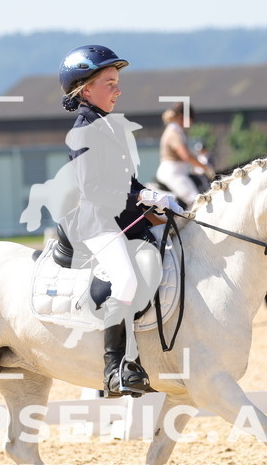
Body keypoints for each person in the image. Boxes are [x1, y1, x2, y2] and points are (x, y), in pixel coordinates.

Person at [56, 44, 182, 397]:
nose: (118, 89)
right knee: (125, 280)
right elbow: (93, 188)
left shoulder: (109, 126)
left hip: (125, 217)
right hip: (98, 222)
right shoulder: (83, 130)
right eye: (110, 82)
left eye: (116, 82)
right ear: (86, 89)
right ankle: (114, 370)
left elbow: (127, 181)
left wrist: (153, 195)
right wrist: (141, 198)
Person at [155, 102, 214, 206]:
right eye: (190, 120)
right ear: (183, 117)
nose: (191, 123)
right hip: (173, 174)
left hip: (179, 172)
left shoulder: (177, 130)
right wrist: (206, 168)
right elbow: (186, 156)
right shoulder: (174, 132)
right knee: (196, 201)